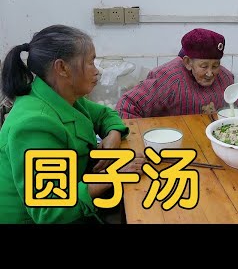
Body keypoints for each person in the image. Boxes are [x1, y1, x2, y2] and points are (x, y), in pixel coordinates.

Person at [0, 25, 145, 224]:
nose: (97, 71)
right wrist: (114, 173)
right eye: (90, 62)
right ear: (62, 68)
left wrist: (113, 134)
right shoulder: (33, 124)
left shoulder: (60, 95)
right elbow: (50, 209)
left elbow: (104, 114)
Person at [116, 28, 238, 118]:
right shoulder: (168, 79)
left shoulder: (225, 77)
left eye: (215, 65)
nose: (210, 73)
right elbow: (127, 105)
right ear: (188, 62)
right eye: (204, 66)